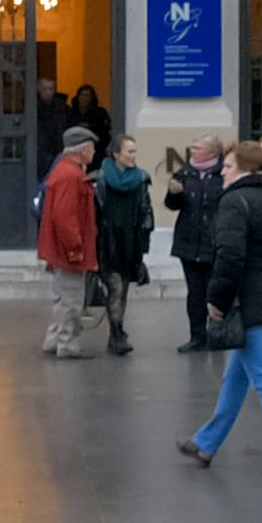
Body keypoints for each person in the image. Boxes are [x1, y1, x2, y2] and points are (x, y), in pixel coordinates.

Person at [184, 136, 262, 476]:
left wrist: (216, 300)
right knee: (235, 378)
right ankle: (206, 444)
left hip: (248, 303)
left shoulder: (235, 201)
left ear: (243, 168)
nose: (222, 172)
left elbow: (230, 256)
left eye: (226, 166)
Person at [35, 124, 100, 358]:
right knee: (72, 300)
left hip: (59, 249)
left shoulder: (63, 172)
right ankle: (68, 344)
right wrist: (75, 249)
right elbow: (65, 217)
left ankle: (53, 340)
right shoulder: (71, 176)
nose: (94, 153)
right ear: (81, 150)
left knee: (62, 298)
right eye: (92, 148)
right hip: (67, 251)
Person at [93, 133, 154, 357]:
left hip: (130, 241)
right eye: (129, 151)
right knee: (115, 287)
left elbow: (147, 212)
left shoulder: (140, 179)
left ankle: (116, 333)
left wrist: (144, 244)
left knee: (123, 289)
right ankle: (117, 334)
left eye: (134, 152)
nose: (133, 156)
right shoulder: (100, 178)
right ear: (116, 154)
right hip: (107, 241)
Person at [165, 133, 227, 351]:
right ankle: (197, 336)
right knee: (195, 292)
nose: (192, 151)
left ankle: (217, 333)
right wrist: (174, 194)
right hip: (189, 242)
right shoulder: (184, 173)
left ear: (212, 152)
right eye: (192, 147)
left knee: (215, 290)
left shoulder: (223, 174)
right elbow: (172, 205)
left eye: (198, 148)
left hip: (214, 241)